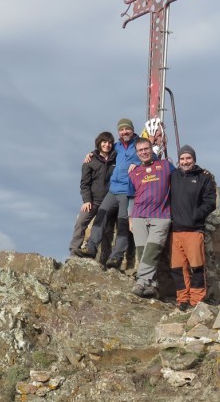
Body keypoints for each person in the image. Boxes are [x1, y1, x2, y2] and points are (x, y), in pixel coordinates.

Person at [77, 118, 138, 268]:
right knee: (100, 217)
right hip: (113, 190)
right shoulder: (116, 146)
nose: (124, 132)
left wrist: (136, 163)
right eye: (121, 130)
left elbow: (151, 157)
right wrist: (90, 154)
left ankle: (116, 257)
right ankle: (91, 248)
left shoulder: (139, 145)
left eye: (127, 129)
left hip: (128, 192)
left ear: (132, 129)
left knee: (123, 225)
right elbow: (101, 150)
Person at [169, 144, 217, 310]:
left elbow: (211, 202)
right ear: (178, 160)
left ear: (194, 159)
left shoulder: (204, 177)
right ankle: (182, 299)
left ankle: (197, 301)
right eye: (182, 158)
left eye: (188, 158)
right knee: (177, 268)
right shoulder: (173, 176)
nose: (185, 161)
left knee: (196, 267)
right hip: (175, 231)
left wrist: (196, 215)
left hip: (194, 230)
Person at [128, 137, 175, 298]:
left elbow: (181, 180)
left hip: (161, 215)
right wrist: (130, 217)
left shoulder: (165, 166)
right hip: (138, 215)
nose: (144, 152)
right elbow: (131, 197)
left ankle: (141, 281)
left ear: (151, 149)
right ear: (136, 153)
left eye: (146, 149)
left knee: (152, 251)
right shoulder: (134, 172)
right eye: (140, 150)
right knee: (143, 252)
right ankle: (153, 286)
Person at [69, 131, 115, 259]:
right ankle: (74, 251)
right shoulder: (90, 160)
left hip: (108, 201)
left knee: (99, 224)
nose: (107, 145)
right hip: (93, 201)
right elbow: (84, 183)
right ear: (99, 143)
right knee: (80, 222)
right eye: (104, 142)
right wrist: (86, 200)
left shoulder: (116, 158)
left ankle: (91, 250)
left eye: (110, 142)